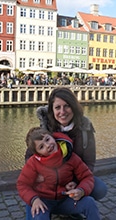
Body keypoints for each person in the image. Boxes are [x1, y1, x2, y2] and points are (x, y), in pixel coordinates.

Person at [25, 87, 107, 219]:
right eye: (57, 107)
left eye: (67, 106)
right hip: (47, 185)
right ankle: (50, 208)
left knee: (99, 188)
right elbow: (29, 158)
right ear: (52, 109)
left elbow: (89, 162)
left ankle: (71, 206)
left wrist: (76, 182)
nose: (62, 112)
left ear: (74, 107)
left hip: (72, 179)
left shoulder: (85, 128)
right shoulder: (45, 129)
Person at [17, 127, 101, 220]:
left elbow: (87, 176)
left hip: (65, 199)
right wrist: (34, 199)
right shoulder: (33, 163)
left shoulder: (71, 157)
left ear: (53, 137)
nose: (48, 145)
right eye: (41, 147)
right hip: (43, 201)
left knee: (89, 202)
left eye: (47, 139)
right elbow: (22, 184)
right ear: (38, 153)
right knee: (38, 215)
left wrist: (81, 190)